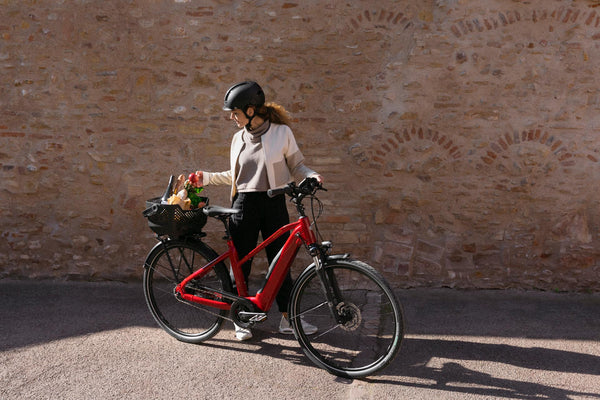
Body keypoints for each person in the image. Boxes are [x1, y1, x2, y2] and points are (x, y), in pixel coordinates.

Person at [194, 81, 322, 341]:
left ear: (250, 110)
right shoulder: (238, 138)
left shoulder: (281, 133)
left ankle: (289, 319)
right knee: (240, 264)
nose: (232, 117)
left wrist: (312, 175)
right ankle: (239, 319)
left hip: (274, 202)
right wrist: (205, 178)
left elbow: (297, 165)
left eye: (235, 112)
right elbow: (236, 176)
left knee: (281, 263)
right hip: (243, 204)